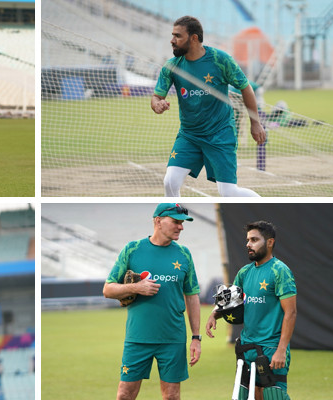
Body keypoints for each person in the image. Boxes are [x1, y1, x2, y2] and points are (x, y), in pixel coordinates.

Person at [151, 16, 266, 197]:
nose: (172, 40)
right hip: (189, 135)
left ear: (194, 38)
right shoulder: (171, 67)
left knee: (228, 192)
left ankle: (262, 205)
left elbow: (246, 88)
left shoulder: (220, 60)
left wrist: (255, 123)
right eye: (172, 35)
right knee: (170, 182)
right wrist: (157, 104)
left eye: (177, 36)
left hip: (220, 135)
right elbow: (157, 96)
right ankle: (173, 215)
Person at [103, 203, 201, 400]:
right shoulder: (133, 249)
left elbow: (192, 296)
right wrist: (134, 288)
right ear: (158, 221)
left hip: (173, 339)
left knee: (171, 396)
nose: (180, 227)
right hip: (138, 338)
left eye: (182, 223)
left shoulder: (184, 254)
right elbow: (108, 289)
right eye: (175, 222)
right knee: (124, 394)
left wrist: (196, 338)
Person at [206, 221, 297, 400]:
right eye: (248, 240)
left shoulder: (280, 271)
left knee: (273, 396)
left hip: (271, 349)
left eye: (254, 240)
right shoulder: (244, 273)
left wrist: (281, 349)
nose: (248, 244)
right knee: (249, 396)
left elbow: (291, 312)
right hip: (247, 348)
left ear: (270, 242)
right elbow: (231, 299)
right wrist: (214, 314)